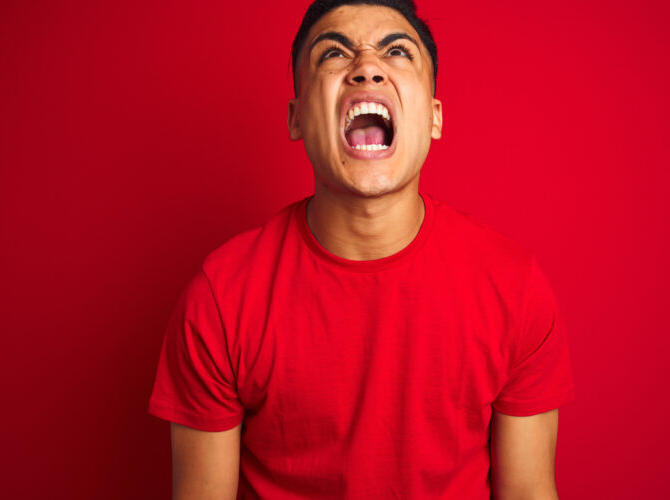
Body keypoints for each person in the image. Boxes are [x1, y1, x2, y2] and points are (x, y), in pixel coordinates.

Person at [147, 0, 575, 498]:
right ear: (297, 118)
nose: (367, 68)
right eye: (333, 54)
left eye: (396, 52)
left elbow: (528, 490)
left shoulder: (514, 286)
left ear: (434, 117)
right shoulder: (221, 296)